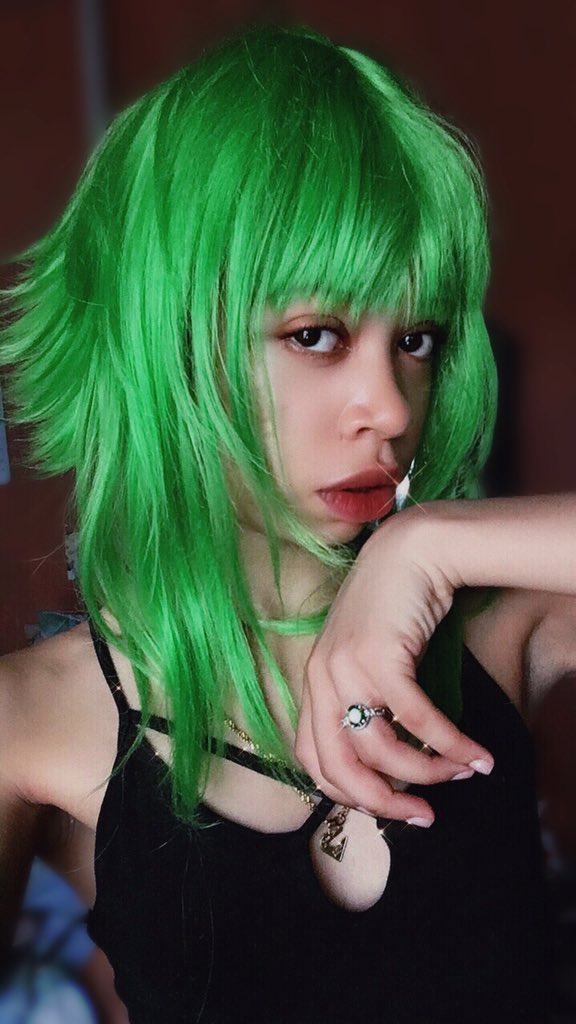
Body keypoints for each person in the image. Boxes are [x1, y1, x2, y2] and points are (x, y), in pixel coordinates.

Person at [1, 23, 574, 1023]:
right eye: (315, 334)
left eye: (416, 339)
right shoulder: (33, 723)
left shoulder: (502, 623)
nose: (389, 409)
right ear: (172, 341)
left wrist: (431, 544)